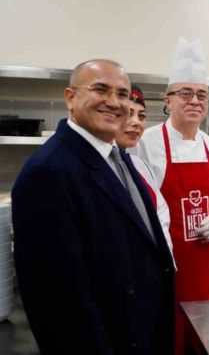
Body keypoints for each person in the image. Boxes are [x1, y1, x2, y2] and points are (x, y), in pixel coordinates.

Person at [12, 59, 175, 354]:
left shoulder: (117, 157)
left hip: (140, 331)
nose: (114, 102)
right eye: (100, 89)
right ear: (70, 98)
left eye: (123, 94)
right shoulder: (49, 172)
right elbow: (58, 301)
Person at [136, 38, 209, 354]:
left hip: (208, 267)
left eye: (201, 94)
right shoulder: (146, 143)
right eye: (185, 93)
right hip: (169, 267)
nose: (194, 101)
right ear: (167, 100)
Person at [115, 84, 173, 255]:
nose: (136, 122)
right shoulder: (98, 167)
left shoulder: (140, 166)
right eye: (127, 114)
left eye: (141, 116)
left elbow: (161, 217)